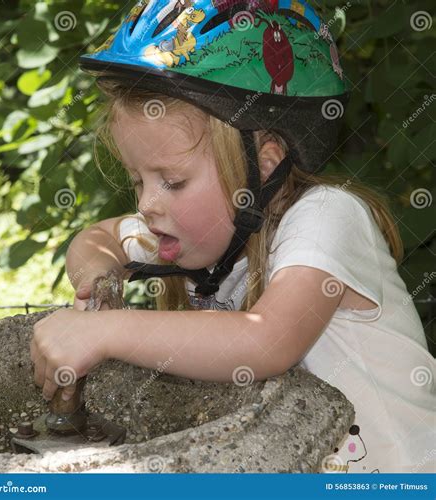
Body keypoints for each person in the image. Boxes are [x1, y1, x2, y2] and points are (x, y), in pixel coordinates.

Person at [30, 0, 435, 473]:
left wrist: (105, 331)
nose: (146, 205)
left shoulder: (327, 218)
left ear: (263, 163)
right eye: (138, 180)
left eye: (173, 181)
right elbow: (94, 240)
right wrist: (100, 281)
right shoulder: (206, 232)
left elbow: (265, 341)